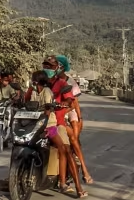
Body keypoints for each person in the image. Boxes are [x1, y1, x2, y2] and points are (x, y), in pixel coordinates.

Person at [43, 56, 87, 198]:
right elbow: (26, 97)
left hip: (56, 123)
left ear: (57, 68)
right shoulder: (39, 81)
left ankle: (76, 187)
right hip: (38, 122)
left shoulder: (62, 83)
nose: (48, 69)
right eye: (46, 66)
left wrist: (65, 103)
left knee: (66, 150)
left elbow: (70, 100)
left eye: (50, 66)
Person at [55, 55, 93, 185]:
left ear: (62, 67)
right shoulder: (51, 80)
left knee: (73, 138)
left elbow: (74, 102)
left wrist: (78, 116)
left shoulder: (70, 82)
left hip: (68, 110)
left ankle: (84, 169)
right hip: (56, 110)